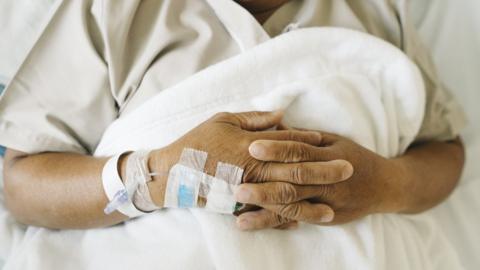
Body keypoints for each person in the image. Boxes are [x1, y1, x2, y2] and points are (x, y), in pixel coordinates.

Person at [0, 0, 466, 230]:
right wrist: (158, 176)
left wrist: (384, 184)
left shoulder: (381, 12)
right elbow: (21, 182)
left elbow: (445, 152)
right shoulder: (112, 11)